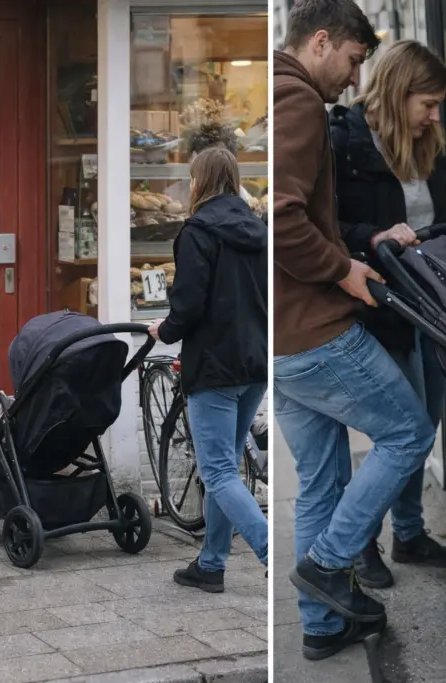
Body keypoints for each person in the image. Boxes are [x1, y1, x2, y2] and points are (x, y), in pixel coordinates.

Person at [273, 0, 440, 661]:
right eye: (352, 60)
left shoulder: (284, 96)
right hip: (316, 332)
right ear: (320, 42)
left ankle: (321, 626)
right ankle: (328, 564)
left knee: (320, 484)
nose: (353, 77)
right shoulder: (299, 101)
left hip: (282, 340)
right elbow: (283, 219)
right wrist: (343, 268)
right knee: (410, 433)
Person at [329, 39, 446, 589]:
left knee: (425, 425)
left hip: (433, 301)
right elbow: (327, 229)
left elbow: (431, 213)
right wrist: (375, 237)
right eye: (427, 104)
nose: (435, 116)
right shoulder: (345, 142)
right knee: (400, 430)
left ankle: (408, 533)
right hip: (381, 305)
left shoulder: (425, 140)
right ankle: (361, 539)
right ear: (396, 91)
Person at [148, 146, 268, 591]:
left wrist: (165, 330)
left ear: (200, 181)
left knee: (216, 471)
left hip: (215, 366)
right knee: (226, 468)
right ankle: (212, 563)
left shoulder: (196, 232)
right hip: (254, 363)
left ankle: (270, 551)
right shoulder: (259, 229)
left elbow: (189, 304)